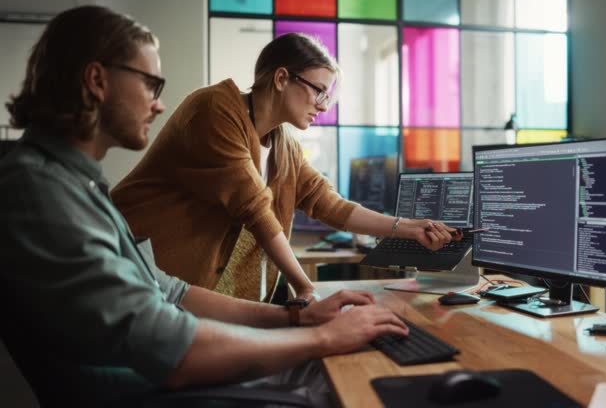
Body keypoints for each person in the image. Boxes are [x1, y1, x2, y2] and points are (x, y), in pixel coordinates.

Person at [0, 5, 407, 407]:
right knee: (347, 382)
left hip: (154, 373)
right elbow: (172, 346)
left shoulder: (75, 183)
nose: (158, 105)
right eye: (150, 84)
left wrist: (298, 319)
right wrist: (322, 334)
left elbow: (171, 291)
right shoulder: (38, 189)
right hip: (139, 389)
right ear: (96, 79)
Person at [110, 32, 458, 303]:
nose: (323, 106)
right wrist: (307, 291)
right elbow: (255, 209)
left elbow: (329, 204)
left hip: (190, 295)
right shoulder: (215, 110)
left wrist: (410, 228)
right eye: (319, 91)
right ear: (281, 79)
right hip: (130, 271)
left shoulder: (283, 144)